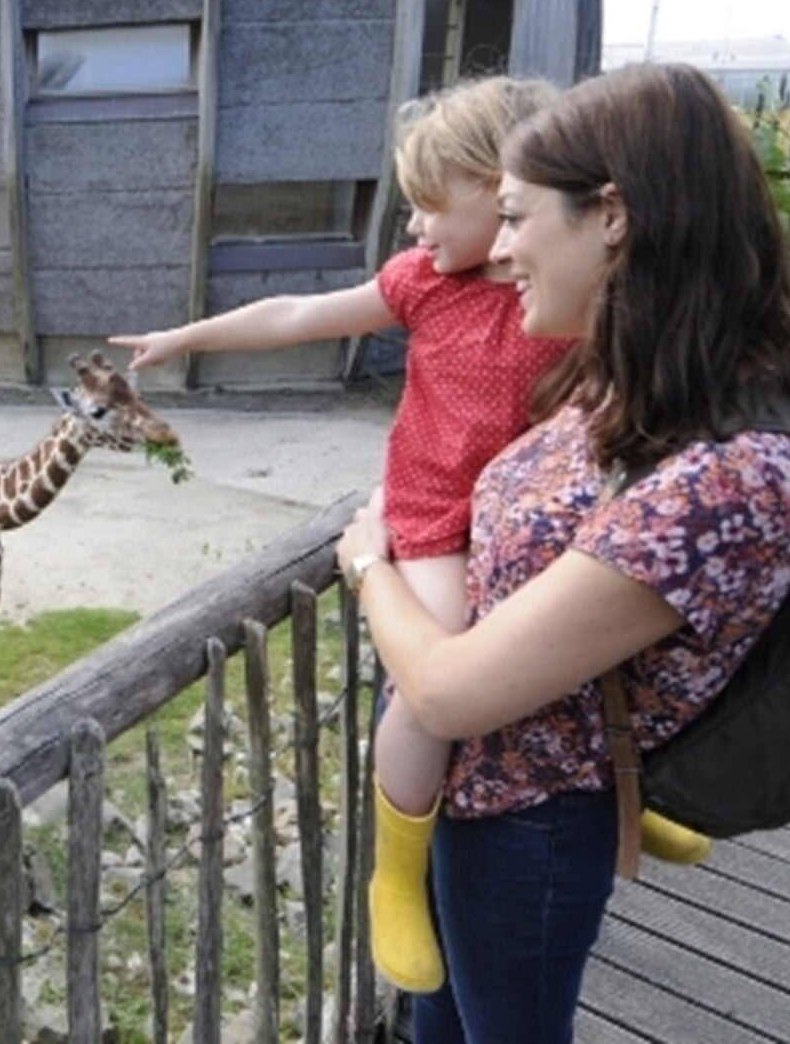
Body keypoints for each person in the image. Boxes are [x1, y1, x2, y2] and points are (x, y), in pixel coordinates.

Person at [334, 60, 790, 1042]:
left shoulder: (724, 474)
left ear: (610, 216)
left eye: (516, 218)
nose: (498, 250)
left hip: (533, 823)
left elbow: (441, 693)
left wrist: (366, 564)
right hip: (476, 800)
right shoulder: (639, 381)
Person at [113, 75, 706, 994]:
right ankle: (395, 866)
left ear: (502, 188)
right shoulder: (422, 283)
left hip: (538, 510)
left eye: (433, 206)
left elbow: (704, 352)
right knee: (431, 687)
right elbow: (302, 315)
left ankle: (633, 793)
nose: (416, 227)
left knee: (587, 650)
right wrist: (187, 336)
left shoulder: (567, 280)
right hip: (433, 516)